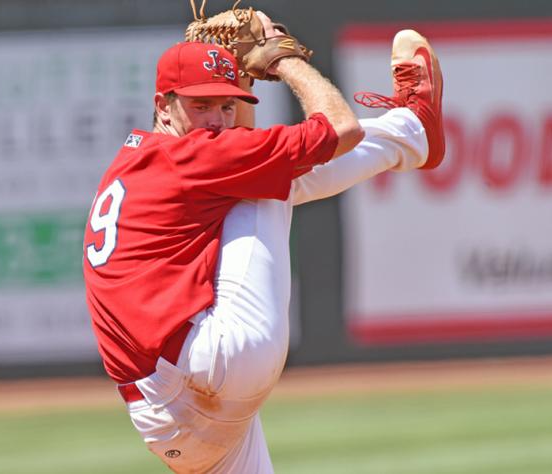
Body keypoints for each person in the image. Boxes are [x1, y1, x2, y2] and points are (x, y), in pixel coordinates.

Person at [83, 11, 443, 473]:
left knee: (257, 173)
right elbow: (341, 128)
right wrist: (280, 59)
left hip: (161, 420)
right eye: (201, 105)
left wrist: (233, 72)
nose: (217, 121)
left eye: (227, 105)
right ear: (162, 104)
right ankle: (412, 132)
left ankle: (412, 137)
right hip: (218, 363)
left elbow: (243, 148)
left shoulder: (136, 161)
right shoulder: (194, 159)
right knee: (264, 182)